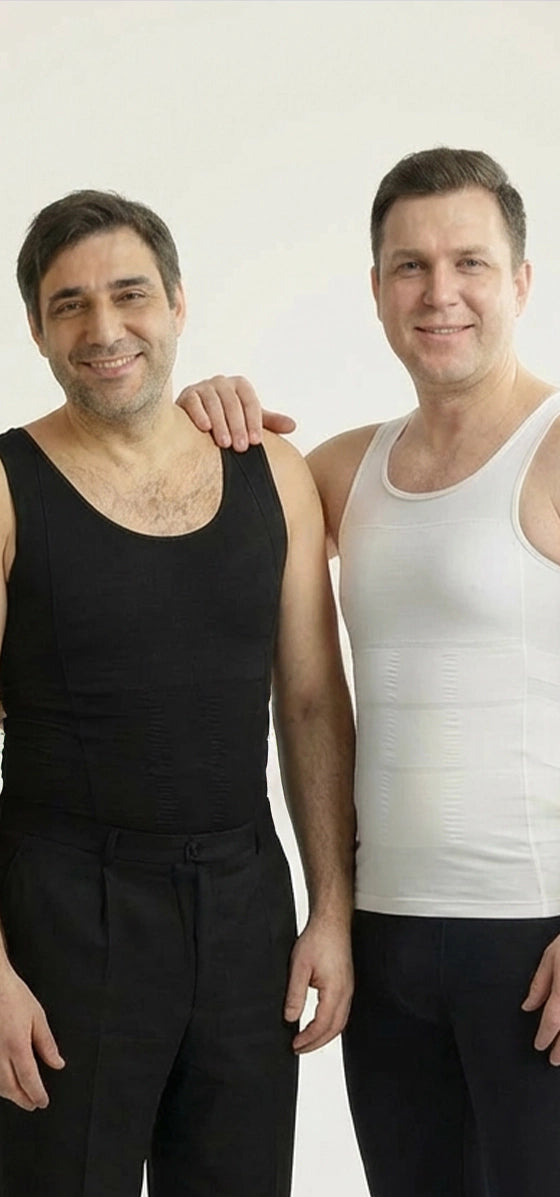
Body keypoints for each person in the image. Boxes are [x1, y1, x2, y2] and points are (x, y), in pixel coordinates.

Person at [0, 189, 355, 1197]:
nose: (104, 329)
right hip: (65, 916)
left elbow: (312, 705)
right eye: (68, 305)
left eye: (129, 295)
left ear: (178, 304)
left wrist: (330, 908)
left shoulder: (273, 474)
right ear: (35, 329)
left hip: (245, 908)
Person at [178, 147, 560, 1197]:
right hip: (383, 943)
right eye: (409, 267)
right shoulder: (342, 472)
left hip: (536, 937)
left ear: (521, 282)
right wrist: (202, 412)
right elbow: (205, 548)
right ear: (378, 288)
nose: (439, 293)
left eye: (469, 263)